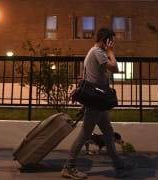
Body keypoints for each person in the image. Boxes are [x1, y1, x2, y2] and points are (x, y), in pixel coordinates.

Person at [61, 27, 136, 179]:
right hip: (95, 101)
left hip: (98, 100)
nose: (113, 44)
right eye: (111, 41)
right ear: (105, 40)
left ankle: (119, 164)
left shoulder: (96, 52)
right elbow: (114, 68)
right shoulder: (97, 52)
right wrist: (111, 52)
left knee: (108, 132)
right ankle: (69, 167)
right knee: (85, 135)